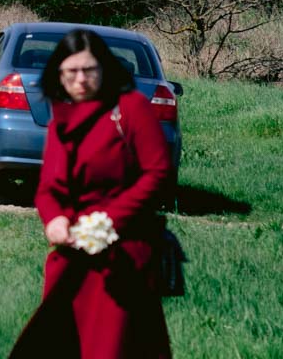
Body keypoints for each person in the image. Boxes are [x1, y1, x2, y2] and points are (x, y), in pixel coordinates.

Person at [10, 29, 176, 359]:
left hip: (122, 257)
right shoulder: (62, 120)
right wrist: (53, 219)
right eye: (71, 71)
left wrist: (106, 223)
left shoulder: (130, 109)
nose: (81, 80)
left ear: (105, 69)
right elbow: (48, 188)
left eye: (89, 70)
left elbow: (157, 173)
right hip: (70, 258)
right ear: (59, 73)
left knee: (112, 348)